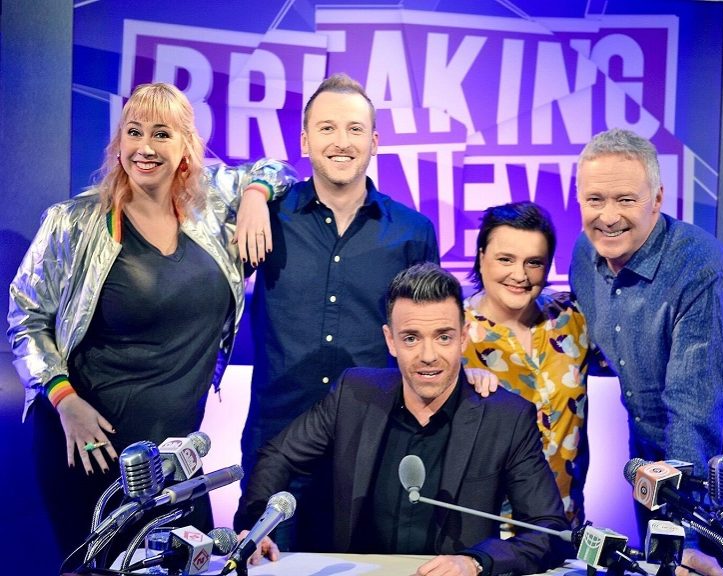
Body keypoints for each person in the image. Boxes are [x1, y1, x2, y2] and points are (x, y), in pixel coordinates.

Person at [6, 82, 296, 563]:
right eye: (133, 132)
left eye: (161, 134)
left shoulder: (212, 211)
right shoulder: (73, 222)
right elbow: (26, 317)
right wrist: (63, 398)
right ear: (118, 142)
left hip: (178, 464)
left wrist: (255, 196)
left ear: (186, 146)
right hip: (90, 455)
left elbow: (278, 170)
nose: (144, 147)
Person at [234, 263, 574, 576]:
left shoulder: (505, 416)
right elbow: (277, 455)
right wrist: (258, 525)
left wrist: (476, 562)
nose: (428, 356)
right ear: (390, 340)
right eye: (411, 338)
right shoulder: (355, 393)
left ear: (463, 337)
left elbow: (550, 531)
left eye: (443, 336)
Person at [237, 73, 440, 550]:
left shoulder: (412, 230)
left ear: (374, 142)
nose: (341, 142)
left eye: (354, 130)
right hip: (277, 447)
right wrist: (254, 192)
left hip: (377, 447)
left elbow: (433, 338)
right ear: (305, 140)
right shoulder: (269, 214)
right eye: (326, 129)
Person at [569, 128, 723, 568]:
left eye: (626, 199)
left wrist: (691, 542)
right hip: (647, 443)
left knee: (710, 567)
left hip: (721, 455)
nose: (608, 216)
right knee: (659, 564)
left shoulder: (700, 268)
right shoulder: (584, 255)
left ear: (657, 200)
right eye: (594, 199)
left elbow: (694, 410)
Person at [462, 201, 589, 526]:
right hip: (486, 540)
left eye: (534, 263)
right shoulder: (453, 334)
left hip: (566, 530)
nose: (520, 275)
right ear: (481, 258)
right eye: (506, 259)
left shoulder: (570, 317)